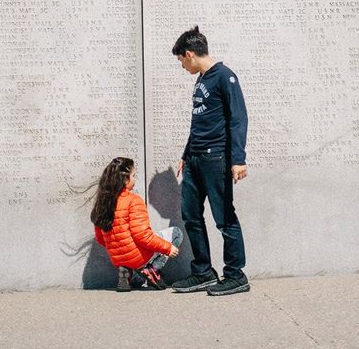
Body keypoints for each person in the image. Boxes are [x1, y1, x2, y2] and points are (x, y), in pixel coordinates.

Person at [169, 26, 250, 296]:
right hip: (194, 159)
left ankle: (235, 275)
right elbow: (199, 122)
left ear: (190, 54)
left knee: (224, 218)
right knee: (190, 215)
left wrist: (238, 159)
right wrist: (186, 153)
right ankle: (203, 271)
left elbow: (238, 119)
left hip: (215, 159)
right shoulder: (202, 79)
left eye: (181, 60)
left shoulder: (224, 77)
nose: (182, 66)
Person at [91, 156, 183, 292]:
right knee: (176, 233)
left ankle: (127, 272)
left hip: (118, 258)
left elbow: (100, 238)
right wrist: (168, 248)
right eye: (133, 175)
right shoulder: (133, 200)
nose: (135, 179)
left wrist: (121, 248)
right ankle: (152, 269)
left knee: (134, 254)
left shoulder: (103, 203)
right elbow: (143, 236)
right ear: (125, 180)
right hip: (139, 257)